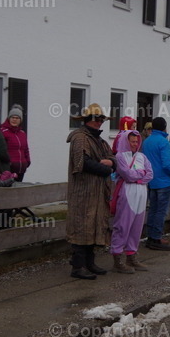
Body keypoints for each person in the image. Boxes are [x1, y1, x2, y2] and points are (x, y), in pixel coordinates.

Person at [65, 103, 116, 280]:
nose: (100, 122)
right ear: (88, 120)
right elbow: (82, 162)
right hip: (83, 192)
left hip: (97, 192)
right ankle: (78, 266)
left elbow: (112, 157)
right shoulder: (80, 138)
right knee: (82, 227)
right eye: (97, 119)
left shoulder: (100, 141)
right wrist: (107, 169)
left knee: (94, 227)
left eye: (102, 119)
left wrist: (111, 163)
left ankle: (89, 262)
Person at [110, 129, 153, 273]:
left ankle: (131, 255)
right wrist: (140, 175)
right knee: (123, 225)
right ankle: (117, 257)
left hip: (141, 193)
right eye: (132, 141)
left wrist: (138, 177)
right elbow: (126, 175)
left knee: (137, 226)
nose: (135, 144)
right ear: (126, 141)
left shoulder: (142, 157)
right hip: (127, 192)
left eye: (136, 141)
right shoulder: (120, 157)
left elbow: (150, 174)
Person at [143, 116, 170, 251]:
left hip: (152, 181)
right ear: (164, 127)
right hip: (165, 181)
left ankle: (151, 237)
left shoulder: (147, 141)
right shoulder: (164, 142)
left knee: (153, 209)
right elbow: (168, 163)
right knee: (161, 211)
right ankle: (156, 238)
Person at [1, 105, 31, 182]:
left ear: (20, 120)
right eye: (12, 117)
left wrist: (27, 162)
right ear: (9, 118)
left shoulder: (22, 133)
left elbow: (26, 149)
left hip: (21, 169)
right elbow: (1, 150)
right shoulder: (3, 132)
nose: (14, 120)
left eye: (17, 118)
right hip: (9, 169)